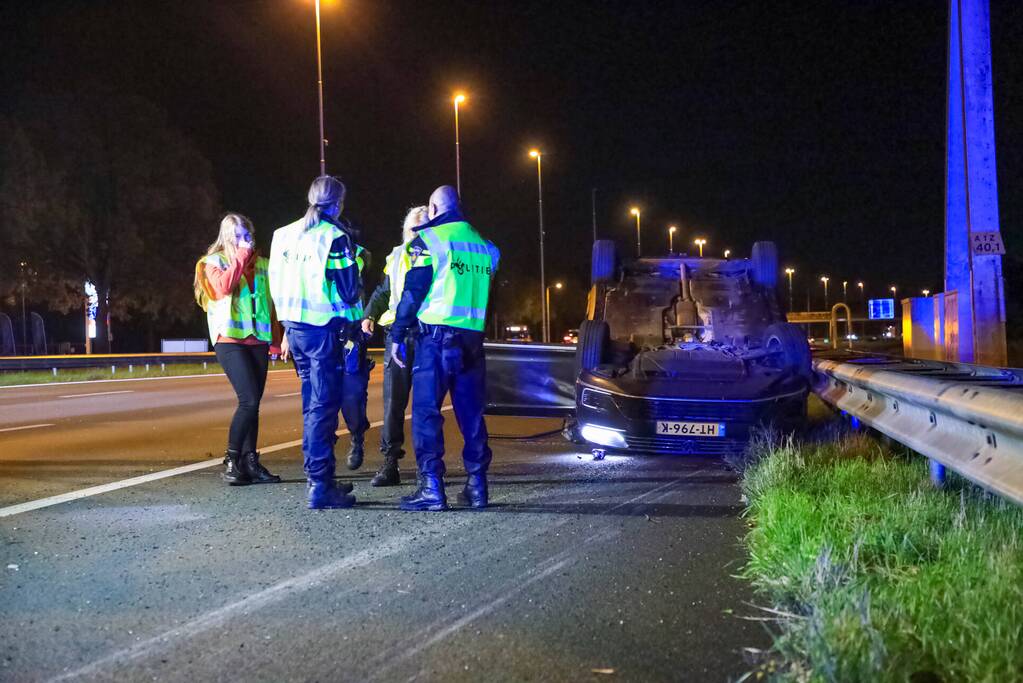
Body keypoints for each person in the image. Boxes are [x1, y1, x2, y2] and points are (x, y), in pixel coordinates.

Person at [388, 186, 500, 511]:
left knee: (426, 413)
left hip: (434, 341)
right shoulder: (486, 247)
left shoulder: (431, 241)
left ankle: (431, 488)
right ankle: (477, 486)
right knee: (472, 416)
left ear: (435, 209)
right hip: (471, 342)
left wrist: (397, 333)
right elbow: (489, 297)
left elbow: (413, 293)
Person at [268, 176, 365, 509]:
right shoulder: (334, 237)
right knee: (322, 409)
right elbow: (350, 291)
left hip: (294, 331)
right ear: (338, 203)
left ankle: (320, 477)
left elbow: (276, 283)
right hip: (323, 332)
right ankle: (320, 484)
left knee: (312, 404)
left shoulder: (282, 235)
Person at [193, 213, 281, 486]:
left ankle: (250, 462)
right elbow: (223, 288)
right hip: (229, 339)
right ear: (226, 239)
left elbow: (273, 303)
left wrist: (278, 340)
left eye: (247, 235)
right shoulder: (213, 262)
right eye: (238, 237)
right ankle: (232, 459)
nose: (245, 241)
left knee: (254, 404)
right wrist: (241, 257)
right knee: (249, 400)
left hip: (259, 339)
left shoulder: (264, 265)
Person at [362, 205, 428, 486]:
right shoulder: (397, 255)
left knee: (427, 405)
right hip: (396, 335)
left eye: (422, 229)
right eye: (413, 229)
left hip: (426, 333)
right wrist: (369, 314)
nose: (417, 235)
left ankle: (428, 466)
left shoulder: (438, 252)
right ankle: (390, 463)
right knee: (393, 403)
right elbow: (385, 290)